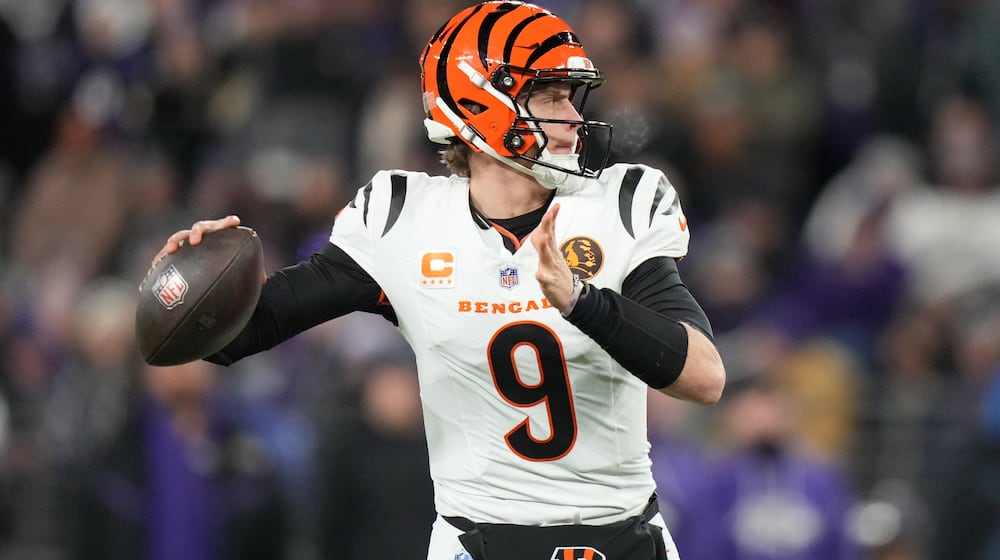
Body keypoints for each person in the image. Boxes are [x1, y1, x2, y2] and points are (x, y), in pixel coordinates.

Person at [152, 2, 725, 559]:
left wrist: (580, 302)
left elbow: (703, 377)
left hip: (620, 536)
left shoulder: (620, 204)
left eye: (570, 97)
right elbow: (231, 337)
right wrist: (178, 287)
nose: (573, 117)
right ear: (482, 105)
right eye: (550, 96)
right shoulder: (404, 221)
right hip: (479, 541)